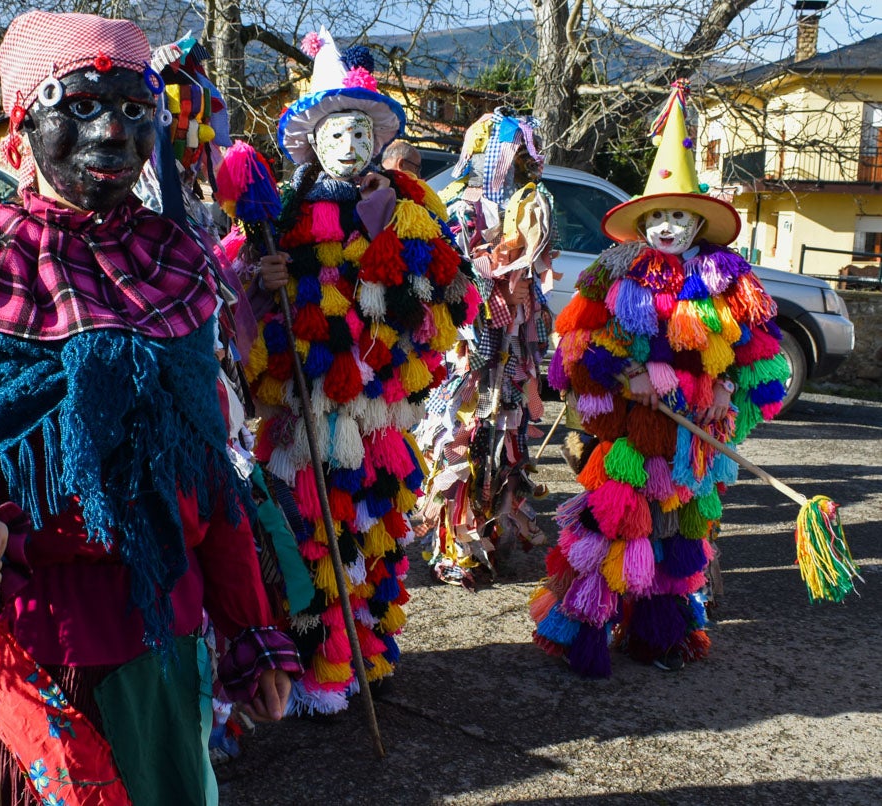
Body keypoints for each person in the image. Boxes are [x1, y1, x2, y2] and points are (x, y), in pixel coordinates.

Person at [0, 13, 300, 804]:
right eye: (80, 104)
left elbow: (204, 463)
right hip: (34, 643)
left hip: (163, 632)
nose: (110, 129)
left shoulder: (174, 260)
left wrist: (249, 627)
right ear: (24, 121)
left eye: (134, 108)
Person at [242, 29, 475, 714]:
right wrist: (264, 276)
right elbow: (253, 298)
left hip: (378, 402)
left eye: (356, 131)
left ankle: (365, 649)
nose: (347, 144)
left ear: (373, 137)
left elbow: (447, 293)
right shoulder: (283, 214)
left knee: (375, 523)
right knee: (308, 526)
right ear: (312, 144)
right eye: (333, 134)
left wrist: (408, 294)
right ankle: (308, 657)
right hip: (308, 398)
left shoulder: (408, 208)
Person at [530, 82, 789, 676]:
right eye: (659, 216)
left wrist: (728, 388)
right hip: (632, 434)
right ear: (642, 220)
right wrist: (628, 373)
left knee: (676, 539)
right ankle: (585, 629)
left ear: (697, 223)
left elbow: (759, 354)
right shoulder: (614, 270)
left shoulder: (728, 278)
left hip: (694, 434)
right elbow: (575, 346)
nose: (668, 227)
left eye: (679, 216)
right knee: (616, 528)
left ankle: (658, 635)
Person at [416, 110, 557, 585]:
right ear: (477, 154)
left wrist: (526, 279)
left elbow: (534, 265)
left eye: (518, 155)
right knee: (463, 435)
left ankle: (493, 534)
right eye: (502, 153)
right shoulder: (456, 205)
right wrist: (495, 284)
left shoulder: (525, 203)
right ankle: (455, 542)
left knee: (503, 439)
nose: (506, 164)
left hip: (509, 349)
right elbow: (448, 270)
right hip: (470, 346)